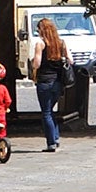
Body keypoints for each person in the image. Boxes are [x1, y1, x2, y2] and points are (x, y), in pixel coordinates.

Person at [28, 18, 70, 152]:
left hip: (44, 82)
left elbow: (37, 64)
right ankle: (56, 138)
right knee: (50, 111)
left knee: (46, 112)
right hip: (58, 82)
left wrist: (33, 60)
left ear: (42, 30)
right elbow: (71, 60)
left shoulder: (40, 44)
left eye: (38, 28)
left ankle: (51, 143)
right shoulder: (61, 43)